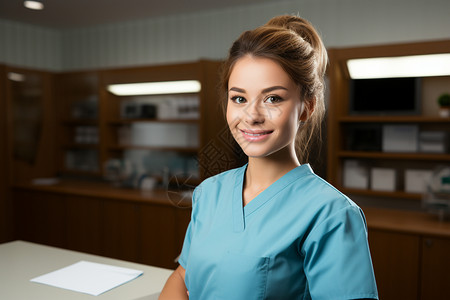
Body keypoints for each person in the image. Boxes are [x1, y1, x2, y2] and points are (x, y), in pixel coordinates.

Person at [159, 15, 378, 300]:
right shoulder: (209, 193)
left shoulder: (331, 214)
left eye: (273, 98)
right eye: (239, 98)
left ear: (306, 108)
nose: (252, 116)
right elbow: (182, 276)